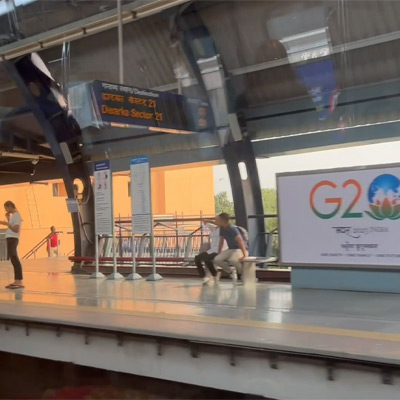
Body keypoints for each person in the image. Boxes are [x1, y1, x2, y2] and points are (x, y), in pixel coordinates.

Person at [213, 213, 248, 284]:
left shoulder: (232, 229)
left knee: (233, 260)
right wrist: (219, 252)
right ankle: (230, 270)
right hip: (231, 249)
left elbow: (240, 241)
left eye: (218, 220)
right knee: (217, 259)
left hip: (239, 249)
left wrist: (245, 255)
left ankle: (242, 273)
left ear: (223, 220)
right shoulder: (222, 229)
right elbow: (221, 241)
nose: (216, 221)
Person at [195, 219, 227, 285]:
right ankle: (204, 276)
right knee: (197, 258)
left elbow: (222, 241)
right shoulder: (214, 229)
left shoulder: (223, 229)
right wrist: (205, 221)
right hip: (211, 250)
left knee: (207, 259)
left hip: (219, 250)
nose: (215, 222)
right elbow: (207, 224)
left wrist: (209, 220)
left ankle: (215, 274)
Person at [0, 201, 24, 289]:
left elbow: (16, 229)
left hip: (13, 239)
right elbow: (12, 226)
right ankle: (17, 279)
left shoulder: (17, 215)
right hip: (10, 238)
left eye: (6, 207)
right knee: (13, 259)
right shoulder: (14, 215)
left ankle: (19, 280)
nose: (5, 210)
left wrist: (7, 224)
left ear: (10, 206)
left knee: (14, 258)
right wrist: (8, 220)